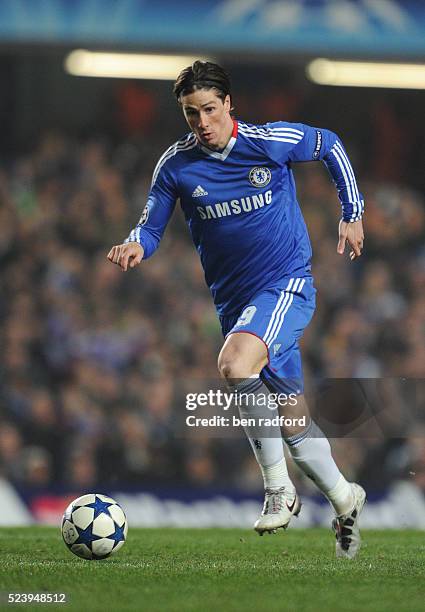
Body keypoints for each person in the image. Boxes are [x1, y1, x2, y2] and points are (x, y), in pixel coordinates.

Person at [107, 61, 366, 558]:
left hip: (286, 284)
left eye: (208, 109)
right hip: (236, 305)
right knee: (292, 421)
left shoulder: (269, 141)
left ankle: (278, 491)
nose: (201, 122)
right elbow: (151, 224)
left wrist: (352, 214)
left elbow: (330, 143)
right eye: (190, 114)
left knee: (233, 364)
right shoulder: (177, 165)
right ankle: (344, 498)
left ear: (228, 104)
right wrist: (135, 244)